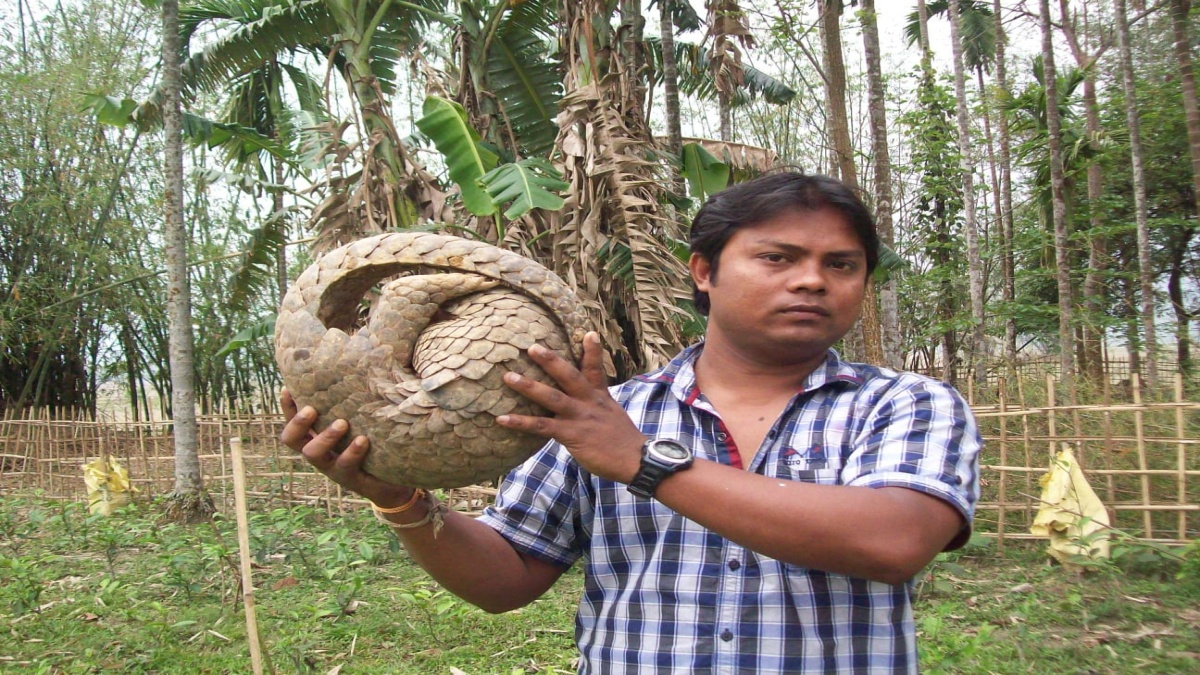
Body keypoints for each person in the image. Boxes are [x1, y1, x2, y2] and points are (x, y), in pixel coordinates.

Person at [280, 171, 981, 674]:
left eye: (842, 264)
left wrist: (644, 462)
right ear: (703, 271)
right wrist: (398, 497)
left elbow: (893, 540)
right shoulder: (607, 413)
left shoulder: (907, 404)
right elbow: (506, 576)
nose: (811, 280)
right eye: (778, 258)